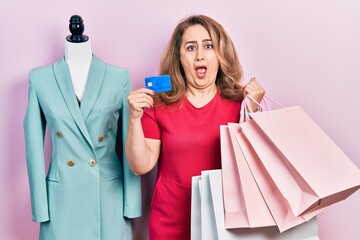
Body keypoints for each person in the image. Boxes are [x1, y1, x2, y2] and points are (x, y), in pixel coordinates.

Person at [126, 14, 265, 239]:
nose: (200, 55)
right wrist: (133, 118)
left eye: (208, 46)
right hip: (169, 224)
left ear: (220, 54)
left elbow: (254, 166)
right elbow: (140, 166)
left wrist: (254, 111)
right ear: (179, 58)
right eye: (191, 48)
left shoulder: (241, 102)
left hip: (225, 224)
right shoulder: (159, 104)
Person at [23, 15, 141, 240]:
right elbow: (33, 148)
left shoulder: (119, 77)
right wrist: (40, 206)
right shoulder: (40, 79)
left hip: (108, 199)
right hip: (61, 201)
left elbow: (129, 144)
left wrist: (132, 204)